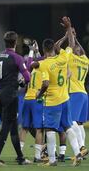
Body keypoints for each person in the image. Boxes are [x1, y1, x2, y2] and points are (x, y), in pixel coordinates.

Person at [35, 17, 82, 166]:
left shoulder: (44, 64)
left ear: (44, 50)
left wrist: (39, 94)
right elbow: (72, 45)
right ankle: (77, 154)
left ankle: (53, 160)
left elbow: (46, 83)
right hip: (65, 99)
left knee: (49, 129)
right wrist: (68, 30)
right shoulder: (63, 57)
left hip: (52, 101)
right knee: (67, 126)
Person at [0, 31, 31, 165]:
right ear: (15, 42)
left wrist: (4, 80)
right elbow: (28, 77)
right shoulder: (17, 58)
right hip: (11, 96)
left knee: (13, 127)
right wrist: (20, 82)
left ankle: (20, 157)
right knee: (6, 127)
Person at [19, 40, 45, 162]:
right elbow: (42, 60)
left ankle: (20, 154)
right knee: (39, 129)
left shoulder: (30, 70)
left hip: (26, 100)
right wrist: (37, 50)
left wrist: (31, 50)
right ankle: (37, 156)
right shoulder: (43, 69)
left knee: (24, 128)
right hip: (37, 100)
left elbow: (30, 61)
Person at [68, 36, 89, 157]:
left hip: (75, 93)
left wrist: (71, 37)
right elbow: (83, 51)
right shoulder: (85, 60)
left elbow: (70, 46)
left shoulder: (72, 58)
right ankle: (83, 148)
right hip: (84, 94)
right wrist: (77, 40)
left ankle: (81, 146)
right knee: (80, 123)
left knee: (71, 120)